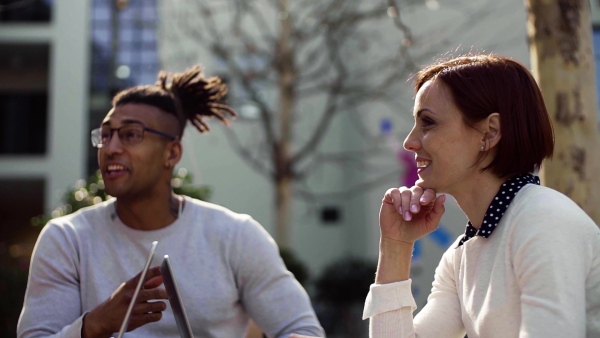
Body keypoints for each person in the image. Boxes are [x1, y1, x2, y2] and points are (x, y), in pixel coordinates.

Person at [17, 65, 325, 338]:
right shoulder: (67, 239)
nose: (110, 148)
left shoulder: (235, 236)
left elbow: (301, 329)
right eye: (106, 135)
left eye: (130, 135)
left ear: (172, 154)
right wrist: (95, 325)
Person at [362, 54, 600, 337]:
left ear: (490, 132)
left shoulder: (545, 221)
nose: (410, 142)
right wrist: (396, 245)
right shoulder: (462, 254)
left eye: (428, 122)